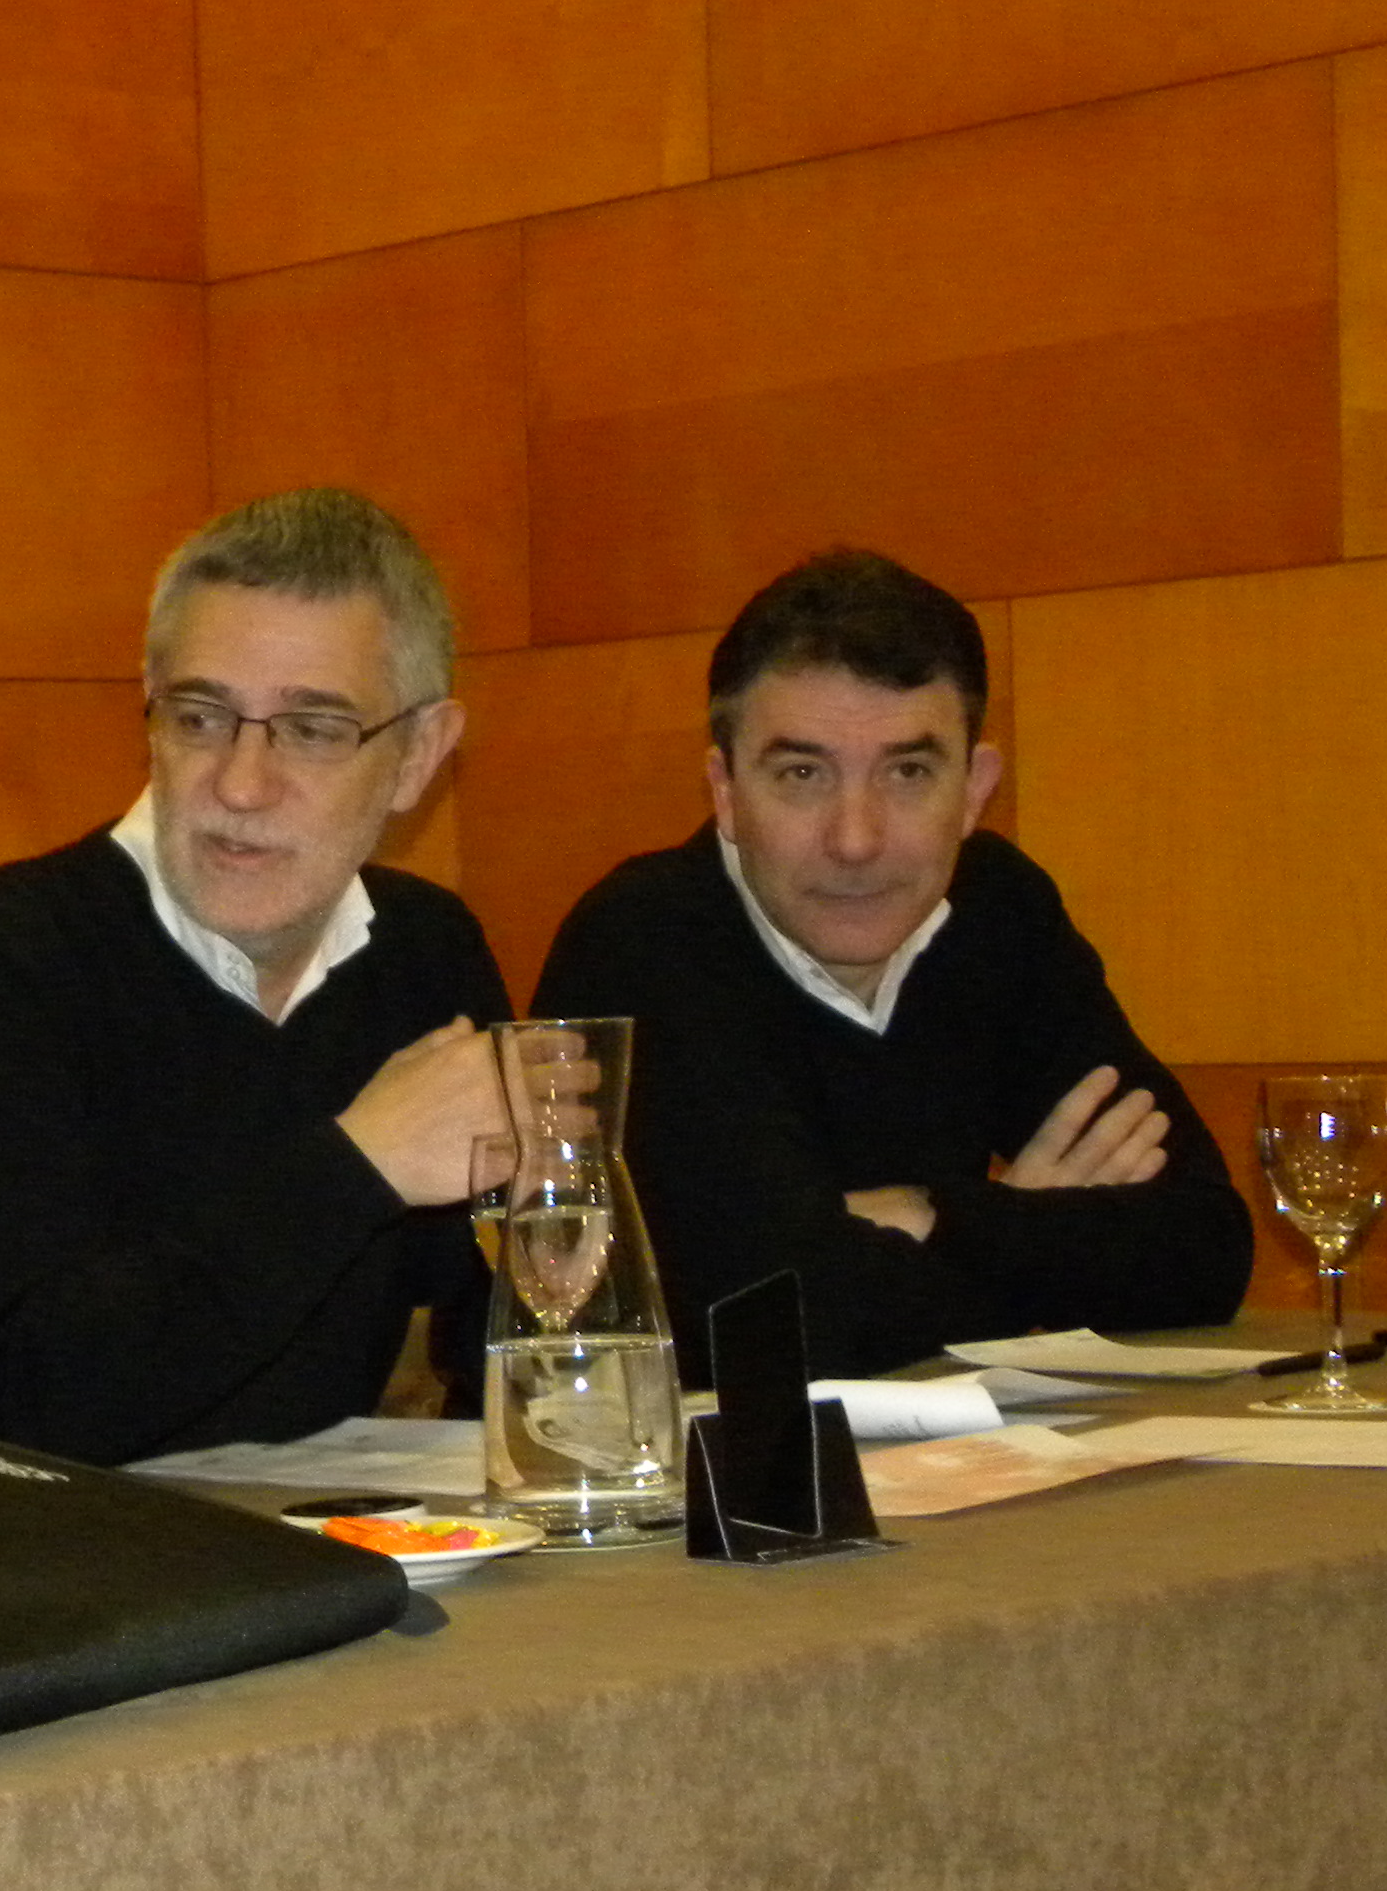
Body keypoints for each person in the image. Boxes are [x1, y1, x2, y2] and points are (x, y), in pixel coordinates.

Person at [0, 487, 517, 1464]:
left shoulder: (426, 950)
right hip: (11, 1536)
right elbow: (32, 1400)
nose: (240, 784)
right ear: (149, 713)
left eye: (312, 729)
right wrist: (357, 1166)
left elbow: (500, 1323)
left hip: (319, 1523)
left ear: (417, 756)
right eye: (201, 718)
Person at [532, 546, 1254, 1378]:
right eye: (802, 773)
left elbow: (1204, 1248)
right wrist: (1027, 1236)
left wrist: (927, 1214)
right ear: (725, 791)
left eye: (908, 772)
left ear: (975, 789)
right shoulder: (645, 940)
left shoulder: (999, 910)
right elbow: (774, 1317)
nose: (856, 839)